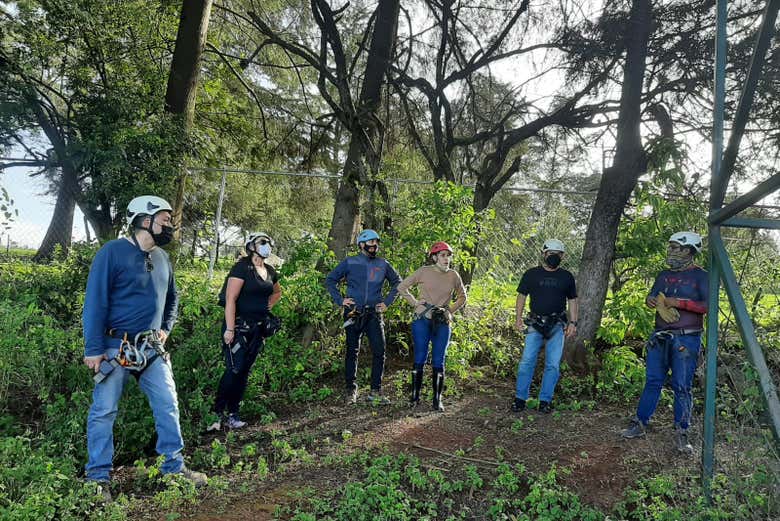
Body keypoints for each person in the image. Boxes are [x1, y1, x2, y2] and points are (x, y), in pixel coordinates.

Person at [82, 195, 206, 499]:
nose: (169, 225)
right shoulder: (112, 253)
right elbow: (95, 302)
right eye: (164, 219)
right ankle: (97, 479)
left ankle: (173, 468)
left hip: (152, 350)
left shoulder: (163, 258)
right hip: (115, 348)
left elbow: (172, 298)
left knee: (168, 404)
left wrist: (165, 329)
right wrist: (93, 348)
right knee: (104, 411)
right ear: (143, 219)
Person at [621, 231, 707, 455]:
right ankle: (640, 423)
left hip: (687, 337)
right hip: (660, 336)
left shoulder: (701, 276)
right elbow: (652, 296)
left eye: (676, 247)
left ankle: (682, 431)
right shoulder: (663, 275)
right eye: (670, 247)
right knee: (653, 380)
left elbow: (707, 305)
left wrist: (678, 302)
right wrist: (651, 300)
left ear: (690, 250)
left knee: (682, 385)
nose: (671, 251)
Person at [207, 232, 282, 431]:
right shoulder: (242, 268)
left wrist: (266, 308)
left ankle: (233, 414)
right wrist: (230, 329)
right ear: (252, 246)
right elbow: (230, 299)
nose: (267, 246)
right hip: (238, 327)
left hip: (258, 329)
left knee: (244, 372)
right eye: (263, 242)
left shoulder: (270, 270)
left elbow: (277, 292)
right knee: (234, 369)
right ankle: (217, 414)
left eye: (269, 243)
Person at [325, 229, 401, 405]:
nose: (374, 246)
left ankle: (375, 391)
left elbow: (398, 282)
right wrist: (340, 300)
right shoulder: (350, 262)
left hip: (374, 313)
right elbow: (330, 280)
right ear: (361, 244)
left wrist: (388, 302)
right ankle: (350, 390)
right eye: (370, 242)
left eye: (376, 243)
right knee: (352, 351)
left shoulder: (383, 264)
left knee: (379, 351)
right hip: (354, 312)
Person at [397, 241, 467, 411]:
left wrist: (449, 311)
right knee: (420, 357)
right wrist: (415, 303)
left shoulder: (453, 276)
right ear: (435, 257)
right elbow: (402, 287)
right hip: (422, 319)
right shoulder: (423, 271)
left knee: (439, 359)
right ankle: (414, 397)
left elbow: (462, 297)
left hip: (442, 322)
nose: (446, 259)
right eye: (443, 255)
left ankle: (437, 400)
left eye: (449, 255)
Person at [512, 239, 578, 414]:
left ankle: (545, 401)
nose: (553, 257)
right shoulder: (531, 274)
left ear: (562, 256)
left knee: (553, 364)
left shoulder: (567, 277)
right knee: (527, 361)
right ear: (543, 254)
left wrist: (573, 322)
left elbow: (573, 300)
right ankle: (520, 399)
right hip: (535, 323)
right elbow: (521, 296)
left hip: (557, 324)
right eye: (550, 253)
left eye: (557, 254)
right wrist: (517, 318)